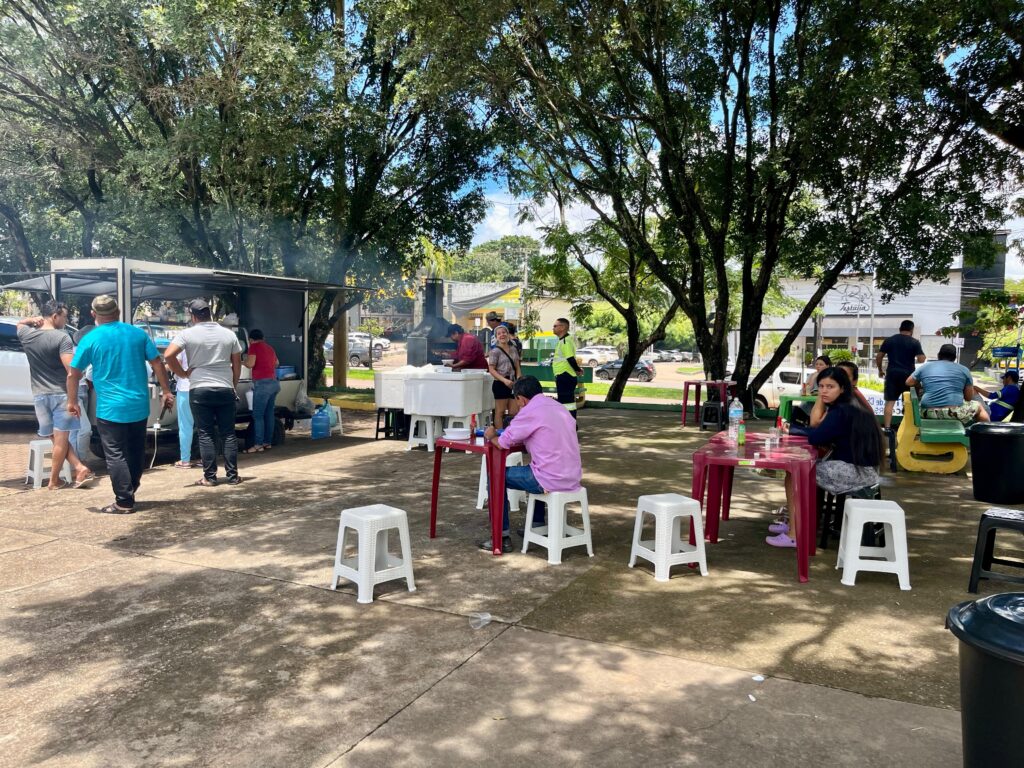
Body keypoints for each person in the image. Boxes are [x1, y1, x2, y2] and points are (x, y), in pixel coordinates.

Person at [68, 294, 174, 514]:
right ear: (117, 312)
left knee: (115, 454)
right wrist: (165, 391)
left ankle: (124, 501)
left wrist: (72, 401)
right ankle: (130, 490)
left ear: (93, 314)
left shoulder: (91, 339)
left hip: (110, 409)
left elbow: (73, 374)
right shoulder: (137, 334)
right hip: (138, 405)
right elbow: (157, 363)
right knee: (135, 451)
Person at [772, 367, 883, 548]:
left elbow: (816, 436)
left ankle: (794, 534)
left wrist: (793, 430)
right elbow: (820, 431)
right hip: (865, 471)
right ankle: (794, 523)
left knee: (794, 472)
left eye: (830, 386)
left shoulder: (841, 411)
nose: (824, 391)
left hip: (856, 473)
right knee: (800, 468)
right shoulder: (850, 405)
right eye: (821, 386)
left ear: (842, 388)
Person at [481, 376, 583, 552]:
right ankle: (537, 524)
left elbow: (502, 442)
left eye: (517, 401)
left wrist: (491, 434)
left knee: (496, 477)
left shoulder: (529, 411)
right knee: (536, 466)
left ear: (521, 398)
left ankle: (501, 536)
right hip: (572, 476)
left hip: (549, 479)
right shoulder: (558, 407)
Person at [164, 299, 243, 486]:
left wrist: (182, 374)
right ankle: (232, 476)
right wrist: (233, 384)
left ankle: (210, 477)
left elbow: (168, 355)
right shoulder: (228, 334)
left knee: (205, 433)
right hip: (225, 388)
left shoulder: (187, 334)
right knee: (228, 433)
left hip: (199, 388)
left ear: (192, 316)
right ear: (210, 314)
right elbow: (237, 364)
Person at [17, 301, 95, 490]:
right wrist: (73, 399)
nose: (66, 320)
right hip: (61, 394)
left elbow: (19, 324)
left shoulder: (27, 334)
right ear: (55, 316)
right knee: (60, 439)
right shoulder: (62, 338)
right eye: (65, 316)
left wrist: (31, 319)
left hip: (39, 395)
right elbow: (71, 371)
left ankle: (79, 467)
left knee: (55, 437)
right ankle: (54, 481)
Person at [907, 343, 989, 425]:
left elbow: (908, 382)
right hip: (953, 413)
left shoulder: (926, 366)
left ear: (938, 355)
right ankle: (987, 436)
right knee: (979, 407)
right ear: (955, 357)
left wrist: (920, 385)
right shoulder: (964, 370)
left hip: (927, 413)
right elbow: (968, 398)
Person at [876, 320, 926, 430]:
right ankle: (906, 427)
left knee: (890, 402)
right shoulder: (914, 342)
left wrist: (880, 370)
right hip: (908, 376)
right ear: (911, 330)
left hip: (892, 374)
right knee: (908, 402)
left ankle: (887, 428)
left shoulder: (889, 340)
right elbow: (921, 359)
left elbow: (879, 356)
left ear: (900, 329)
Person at [242, 329, 280, 452]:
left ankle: (258, 444)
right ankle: (267, 442)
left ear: (251, 340)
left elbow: (250, 364)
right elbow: (277, 363)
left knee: (258, 415)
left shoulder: (253, 347)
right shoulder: (270, 348)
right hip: (274, 383)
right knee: (269, 414)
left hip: (263, 385)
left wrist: (242, 361)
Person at [808, 360, 872, 427]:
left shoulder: (849, 400)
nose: (839, 380)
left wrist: (823, 393)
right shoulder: (845, 397)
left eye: (845, 377)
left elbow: (815, 423)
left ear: (854, 381)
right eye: (836, 376)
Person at [487, 324, 522, 428]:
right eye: (499, 333)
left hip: (513, 383)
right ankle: (499, 435)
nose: (502, 335)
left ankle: (512, 433)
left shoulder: (514, 349)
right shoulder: (494, 351)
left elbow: (517, 367)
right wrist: (504, 380)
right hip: (500, 383)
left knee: (514, 411)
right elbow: (491, 369)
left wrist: (518, 380)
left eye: (504, 332)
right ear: (496, 337)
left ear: (508, 334)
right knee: (500, 411)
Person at [552, 317, 584, 420]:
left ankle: (569, 425)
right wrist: (577, 369)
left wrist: (578, 370)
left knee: (566, 403)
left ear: (562, 328)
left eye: (555, 326)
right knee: (567, 402)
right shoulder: (563, 341)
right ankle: (569, 425)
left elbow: (570, 358)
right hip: (564, 375)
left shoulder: (565, 341)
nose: (553, 328)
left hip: (565, 375)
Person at [173, 348, 195, 468]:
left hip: (185, 387)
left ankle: (185, 460)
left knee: (185, 425)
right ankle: (206, 459)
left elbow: (175, 363)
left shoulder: (184, 343)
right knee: (205, 426)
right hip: (204, 386)